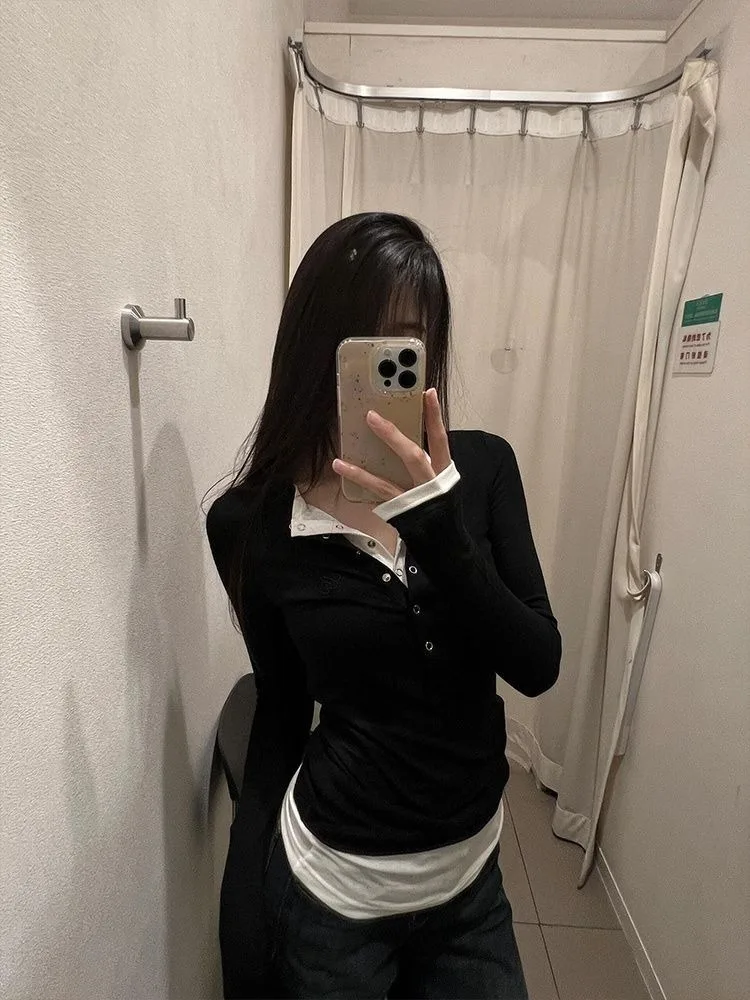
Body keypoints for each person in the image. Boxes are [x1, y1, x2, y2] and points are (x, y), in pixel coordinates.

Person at [206, 212, 562, 999]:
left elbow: (538, 663)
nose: (390, 365)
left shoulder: (485, 471)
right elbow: (281, 711)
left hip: (470, 887)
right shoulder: (250, 522)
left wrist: (440, 529)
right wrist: (243, 909)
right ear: (314, 349)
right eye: (364, 343)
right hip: (333, 894)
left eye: (410, 341)